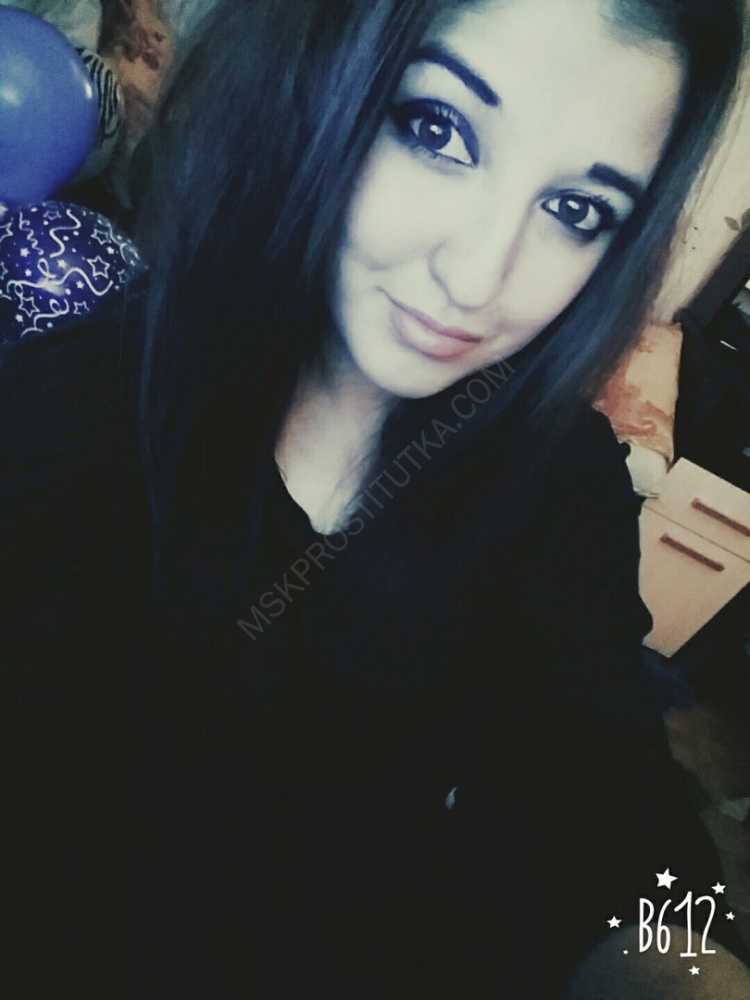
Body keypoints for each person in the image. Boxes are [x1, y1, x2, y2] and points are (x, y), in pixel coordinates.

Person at [2, 0, 749, 996]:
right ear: (315, 79)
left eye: (576, 210)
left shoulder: (556, 479)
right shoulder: (66, 419)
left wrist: (687, 967)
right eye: (438, 130)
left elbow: (612, 799)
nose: (480, 278)